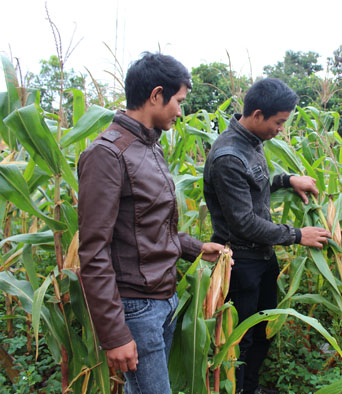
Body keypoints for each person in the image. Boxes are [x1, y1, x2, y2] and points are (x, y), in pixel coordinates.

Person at [78, 52, 227, 394]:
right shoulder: (108, 154)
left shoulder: (149, 148)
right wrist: (115, 334)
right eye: (178, 101)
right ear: (156, 95)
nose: (179, 110)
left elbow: (150, 224)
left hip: (163, 298)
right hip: (137, 305)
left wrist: (195, 247)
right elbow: (93, 250)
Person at [203, 78, 331, 394]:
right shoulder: (229, 156)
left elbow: (255, 188)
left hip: (261, 257)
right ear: (258, 114)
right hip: (241, 262)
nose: (281, 130)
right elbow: (244, 221)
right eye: (279, 122)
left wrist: (288, 179)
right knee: (241, 339)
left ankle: (252, 388)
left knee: (262, 331)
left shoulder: (251, 142)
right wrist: (297, 234)